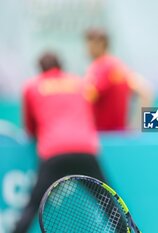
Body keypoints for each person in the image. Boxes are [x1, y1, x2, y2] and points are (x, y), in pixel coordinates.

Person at [12, 52, 106, 233]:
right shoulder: (80, 83)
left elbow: (30, 128)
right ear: (61, 65)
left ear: (39, 68)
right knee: (109, 204)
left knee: (33, 206)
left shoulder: (32, 86)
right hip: (85, 149)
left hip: (53, 152)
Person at [85, 28, 154, 131]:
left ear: (100, 44)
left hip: (102, 136)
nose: (87, 49)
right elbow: (146, 91)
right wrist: (139, 127)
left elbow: (85, 98)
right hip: (120, 135)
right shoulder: (119, 66)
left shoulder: (99, 68)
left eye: (89, 44)